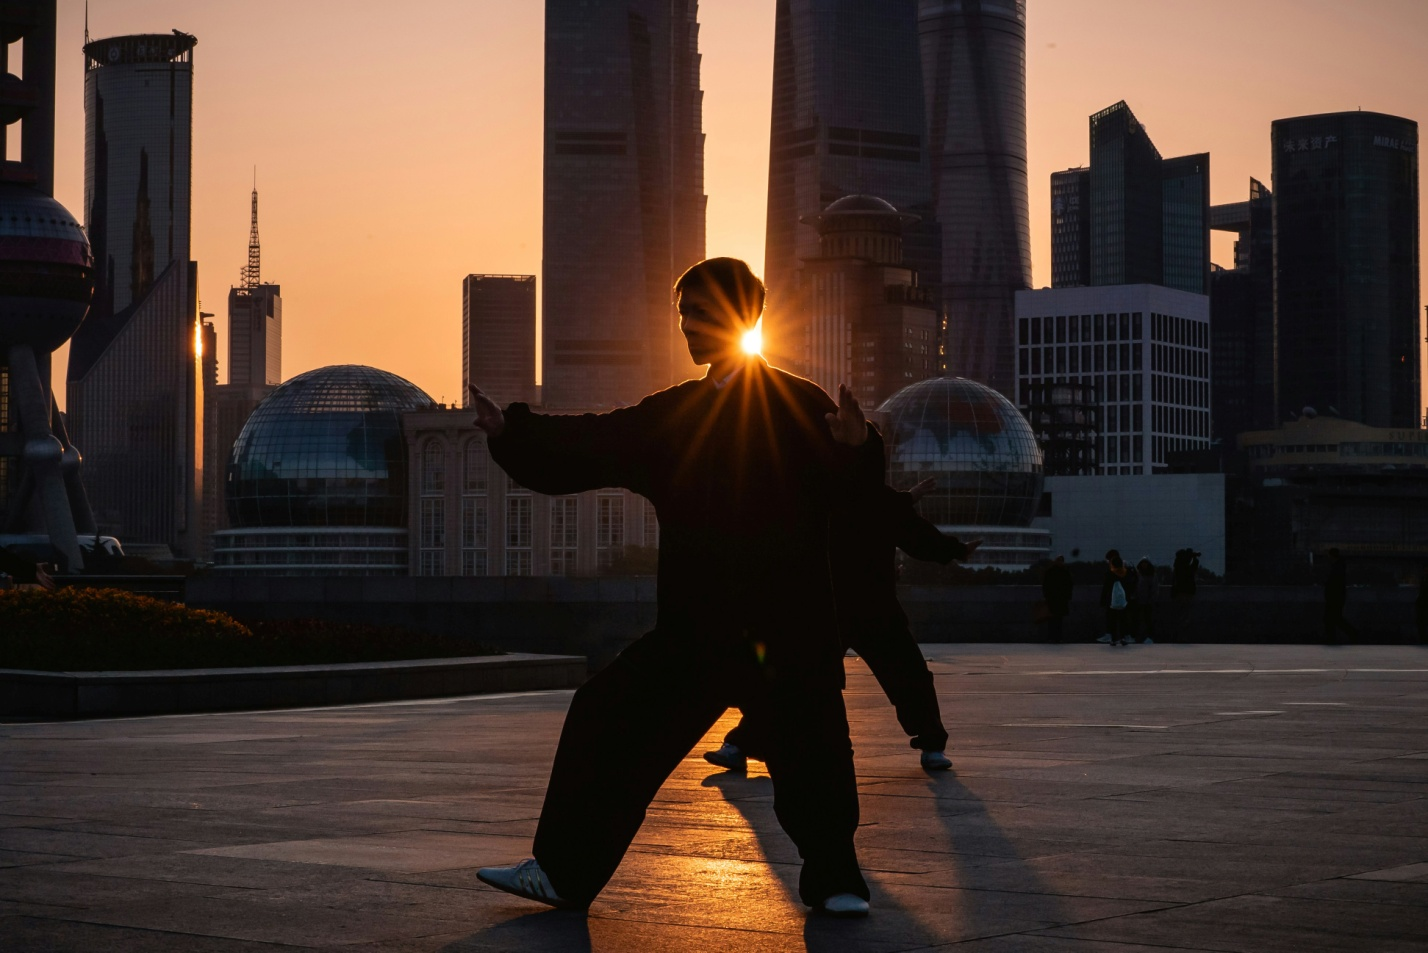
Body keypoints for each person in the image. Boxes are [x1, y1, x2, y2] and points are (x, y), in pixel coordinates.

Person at [470, 258, 883, 918]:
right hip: (698, 631)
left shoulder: (806, 408)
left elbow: (859, 500)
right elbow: (593, 440)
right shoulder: (676, 414)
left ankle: (837, 878)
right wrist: (513, 431)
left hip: (787, 629)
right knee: (604, 718)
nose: (687, 325)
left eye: (699, 311)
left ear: (740, 317)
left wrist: (860, 450)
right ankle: (563, 871)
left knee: (816, 753)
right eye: (683, 313)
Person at [704, 479, 981, 774]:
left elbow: (910, 530)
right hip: (850, 606)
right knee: (904, 675)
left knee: (801, 677)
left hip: (846, 606)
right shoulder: (863, 496)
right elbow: (915, 533)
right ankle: (932, 745)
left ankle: (739, 745)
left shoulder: (825, 489)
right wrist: (954, 548)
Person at [1322, 548, 1358, 645]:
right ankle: (1352, 634)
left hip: (1334, 597)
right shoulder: (1340, 566)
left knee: (1331, 618)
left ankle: (1333, 638)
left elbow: (1333, 583)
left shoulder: (1337, 567)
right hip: (1337, 596)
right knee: (1335, 618)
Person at [1099, 550, 1132, 647]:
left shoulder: (1109, 574)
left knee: (1112, 620)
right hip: (1124, 601)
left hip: (1111, 601)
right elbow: (1129, 586)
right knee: (1123, 620)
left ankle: (1113, 639)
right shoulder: (1127, 573)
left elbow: (1106, 588)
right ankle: (1123, 637)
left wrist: (1103, 600)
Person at [1041, 555, 1073, 644]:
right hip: (1060, 599)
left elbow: (1045, 585)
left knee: (1053, 620)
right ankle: (1058, 637)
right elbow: (1069, 585)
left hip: (1052, 599)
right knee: (1058, 620)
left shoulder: (1050, 572)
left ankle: (1052, 637)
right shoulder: (1065, 572)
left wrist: (1046, 596)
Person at [1170, 547, 1200, 641]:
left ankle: (1177, 636)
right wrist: (1193, 556)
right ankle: (1182, 636)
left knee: (1179, 615)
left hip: (1179, 593)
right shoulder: (1183, 566)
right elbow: (1192, 568)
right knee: (1185, 616)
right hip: (1187, 592)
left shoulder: (1177, 565)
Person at [1130, 556, 1158, 645]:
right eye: (1142, 563)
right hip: (1138, 601)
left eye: (1145, 563)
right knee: (1136, 620)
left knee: (1148, 620)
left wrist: (1151, 600)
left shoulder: (1152, 575)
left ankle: (1150, 637)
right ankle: (1135, 636)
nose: (1144, 565)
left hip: (1147, 602)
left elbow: (1154, 589)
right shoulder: (1138, 575)